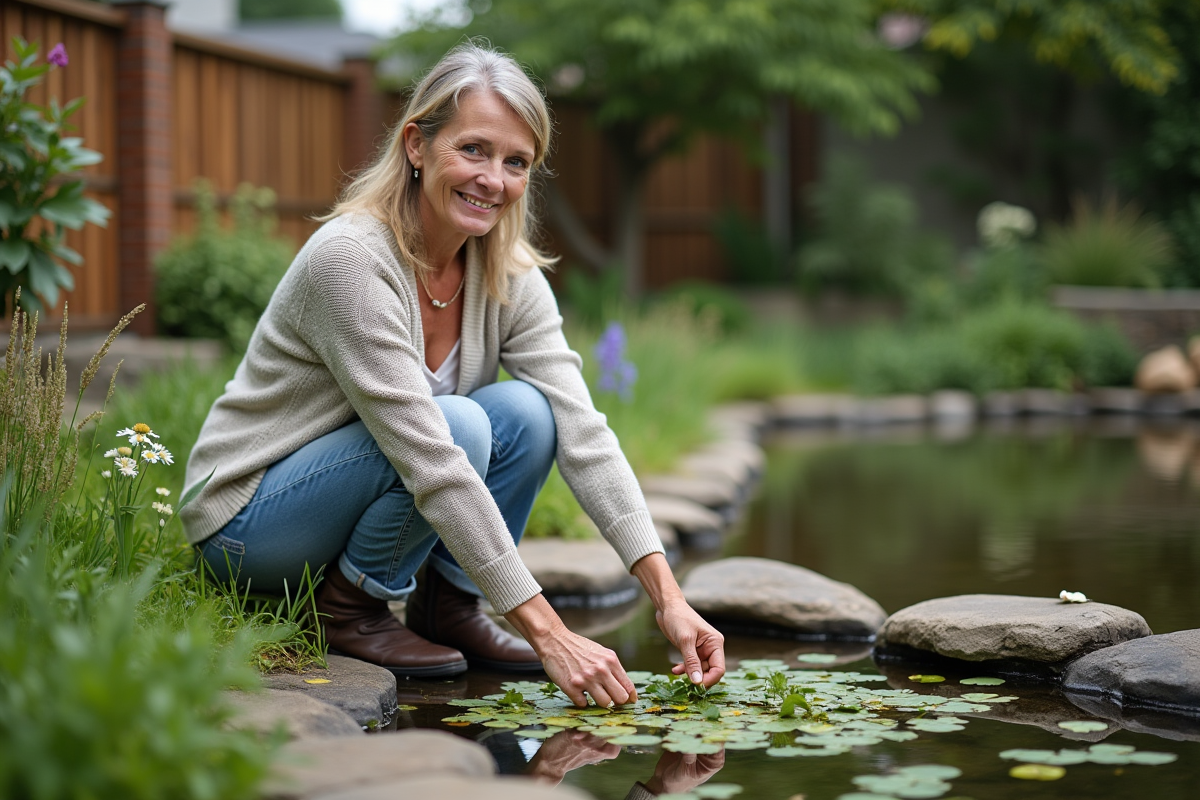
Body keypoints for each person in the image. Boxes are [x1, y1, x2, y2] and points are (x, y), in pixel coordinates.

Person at [181, 42, 724, 707]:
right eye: (473, 150)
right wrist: (550, 632)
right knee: (459, 425)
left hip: (352, 497)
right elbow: (430, 457)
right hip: (251, 523)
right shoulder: (350, 259)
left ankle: (449, 606)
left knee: (531, 414)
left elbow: (584, 431)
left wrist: (669, 597)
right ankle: (348, 610)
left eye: (515, 162)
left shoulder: (507, 273)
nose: (493, 179)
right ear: (417, 145)